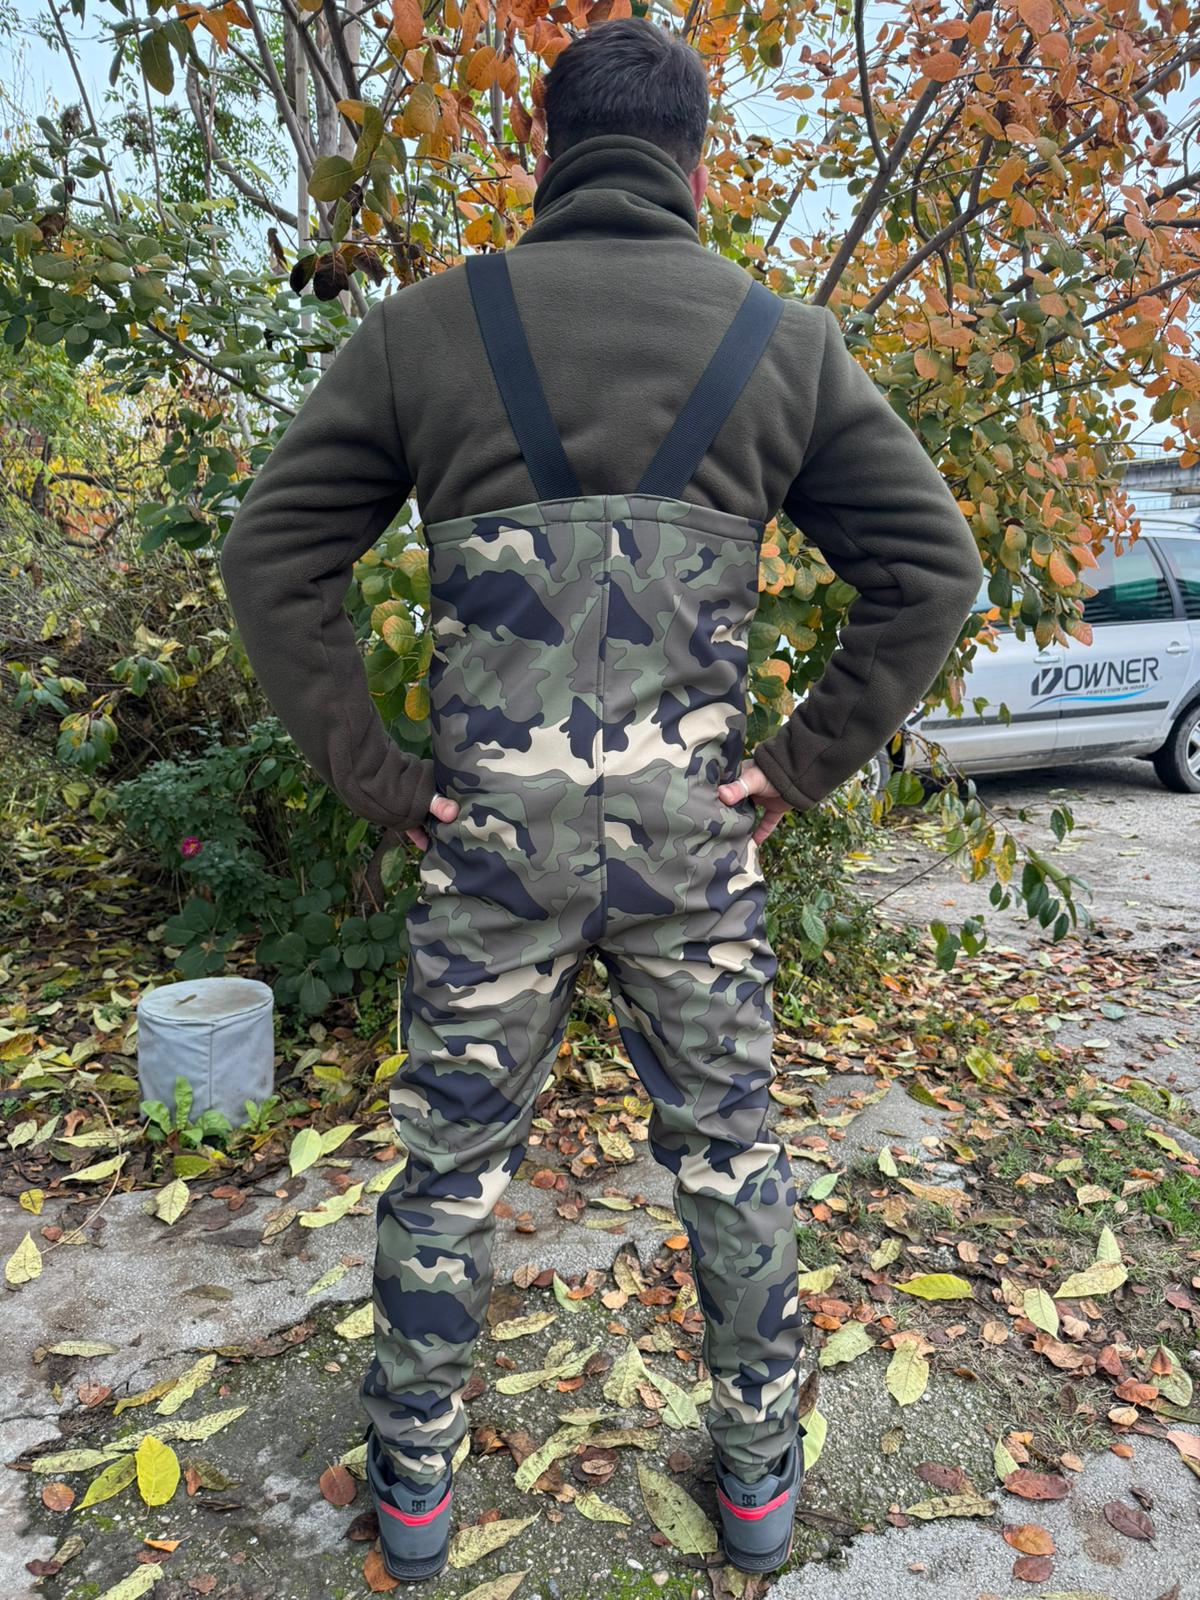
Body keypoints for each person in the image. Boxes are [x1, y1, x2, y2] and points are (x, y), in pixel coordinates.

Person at [218, 17, 985, 1580]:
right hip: (696, 860)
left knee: (448, 1173)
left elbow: (269, 557)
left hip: (490, 856)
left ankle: (415, 1502)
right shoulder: (784, 344)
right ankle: (759, 1493)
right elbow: (933, 570)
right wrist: (797, 767)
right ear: (698, 162)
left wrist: (385, 782)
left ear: (543, 150)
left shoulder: (421, 334)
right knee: (733, 1163)